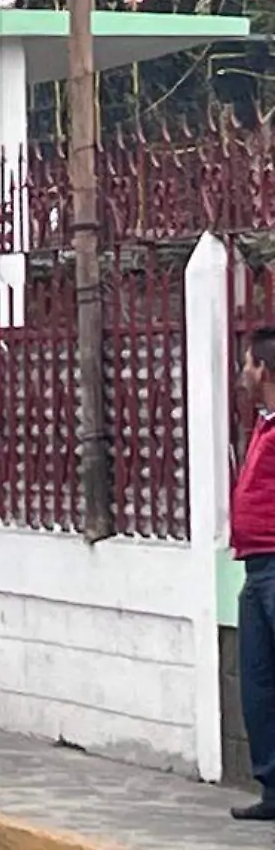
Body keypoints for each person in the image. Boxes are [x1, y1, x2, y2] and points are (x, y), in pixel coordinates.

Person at [231, 326, 275, 820]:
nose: (242, 372)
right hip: (256, 566)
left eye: (246, 363)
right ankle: (273, 790)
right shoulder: (264, 425)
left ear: (262, 369)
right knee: (258, 687)